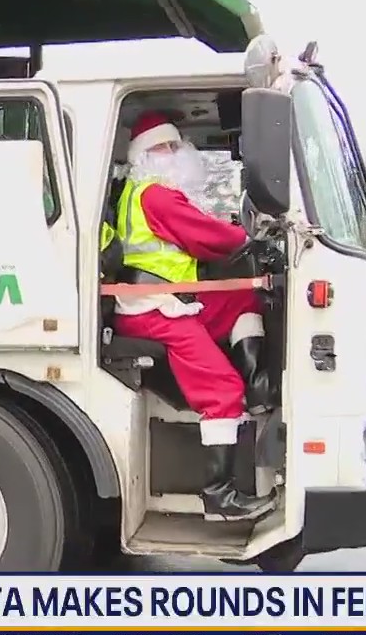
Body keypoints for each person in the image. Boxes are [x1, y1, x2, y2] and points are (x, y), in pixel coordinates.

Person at [111, 111, 274, 520]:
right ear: (143, 155)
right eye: (161, 147)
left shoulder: (136, 192)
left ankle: (257, 386)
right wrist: (249, 238)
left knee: (239, 299)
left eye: (174, 145)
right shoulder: (157, 195)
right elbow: (205, 236)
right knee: (221, 390)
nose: (172, 152)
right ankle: (219, 495)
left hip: (150, 300)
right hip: (156, 308)